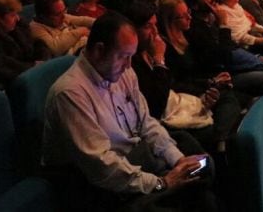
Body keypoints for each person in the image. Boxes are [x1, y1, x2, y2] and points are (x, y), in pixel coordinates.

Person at [41, 12, 216, 211]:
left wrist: (177, 159)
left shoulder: (123, 72)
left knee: (202, 168)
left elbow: (146, 122)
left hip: (132, 157)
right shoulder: (70, 93)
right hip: (92, 183)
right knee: (195, 198)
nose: (129, 66)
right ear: (99, 51)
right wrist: (161, 183)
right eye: (124, 56)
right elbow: (101, 166)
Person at [127, 1, 242, 155]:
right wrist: (160, 60)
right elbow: (158, 103)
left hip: (186, 98)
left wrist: (208, 86)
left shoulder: (185, 36)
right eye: (148, 26)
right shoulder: (137, 59)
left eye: (155, 25)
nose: (155, 31)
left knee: (230, 96)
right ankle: (222, 143)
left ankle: (224, 142)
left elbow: (214, 59)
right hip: (165, 117)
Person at [29, 0, 95, 57]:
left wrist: (100, 23)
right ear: (43, 16)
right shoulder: (35, 28)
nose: (64, 16)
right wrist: (80, 31)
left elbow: (82, 20)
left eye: (64, 10)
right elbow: (55, 48)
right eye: (58, 14)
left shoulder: (61, 16)